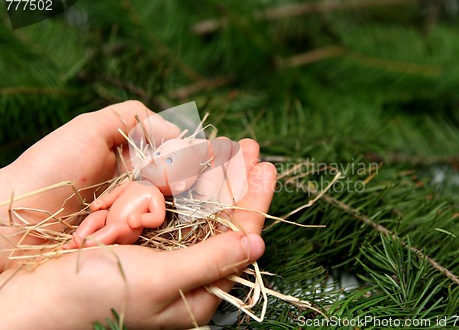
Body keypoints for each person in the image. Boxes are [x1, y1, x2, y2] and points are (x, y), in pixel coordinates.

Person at [0, 101, 277, 330]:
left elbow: (155, 218)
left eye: (167, 162)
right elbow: (111, 197)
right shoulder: (133, 183)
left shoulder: (154, 195)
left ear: (179, 186)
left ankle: (90, 244)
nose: (155, 159)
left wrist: (140, 221)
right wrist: (100, 203)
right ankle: (78, 239)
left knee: (111, 231)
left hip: (124, 227)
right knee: (93, 221)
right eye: (157, 153)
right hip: (108, 216)